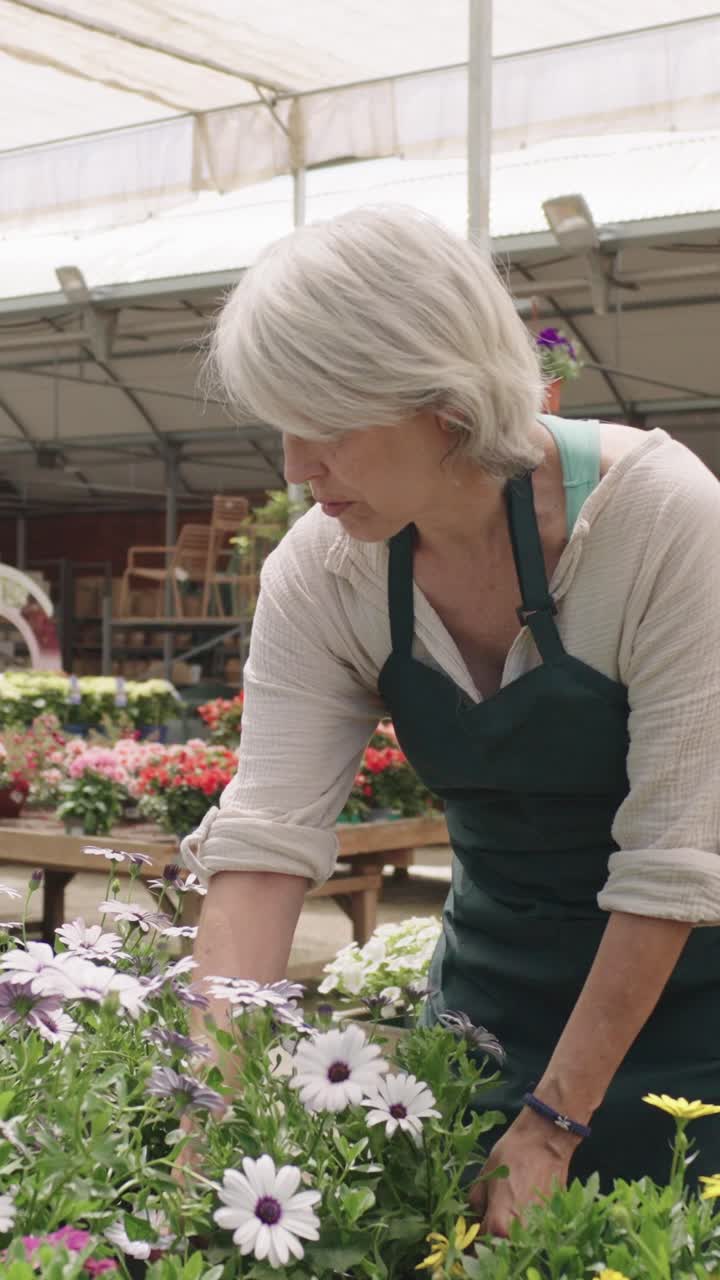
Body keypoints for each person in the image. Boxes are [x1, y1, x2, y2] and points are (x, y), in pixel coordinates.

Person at [182, 205, 720, 1235]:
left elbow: (676, 856)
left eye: (326, 422)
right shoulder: (325, 568)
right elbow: (264, 844)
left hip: (694, 1016)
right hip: (485, 1012)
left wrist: (556, 1118)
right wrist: (209, 1105)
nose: (296, 465)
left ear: (441, 397)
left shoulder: (657, 519)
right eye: (279, 424)